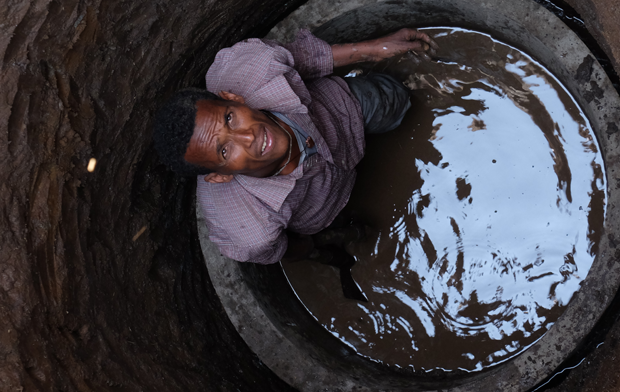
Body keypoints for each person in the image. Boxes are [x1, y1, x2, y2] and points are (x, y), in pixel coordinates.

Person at [153, 28, 436, 266]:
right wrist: (311, 249)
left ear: (233, 98)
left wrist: (373, 49)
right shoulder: (249, 228)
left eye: (230, 119)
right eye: (225, 151)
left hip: (342, 111)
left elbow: (306, 58)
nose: (248, 137)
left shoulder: (256, 66)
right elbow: (281, 250)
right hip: (322, 205)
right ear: (220, 176)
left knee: (395, 98)